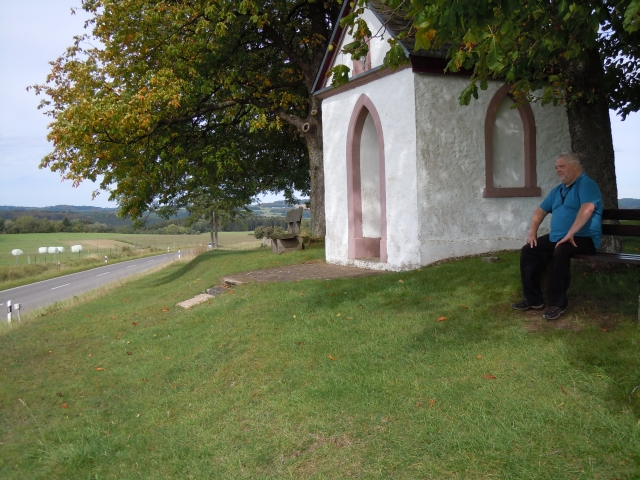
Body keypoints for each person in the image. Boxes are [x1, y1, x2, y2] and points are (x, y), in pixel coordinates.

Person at [512, 152, 603, 320]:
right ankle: (534, 299)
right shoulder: (558, 190)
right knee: (529, 250)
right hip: (558, 237)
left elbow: (588, 209)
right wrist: (532, 231)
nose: (558, 170)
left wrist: (570, 234)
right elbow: (540, 211)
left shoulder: (586, 185)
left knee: (561, 250)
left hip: (583, 237)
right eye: (556, 167)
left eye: (562, 166)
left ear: (574, 166)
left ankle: (557, 303)